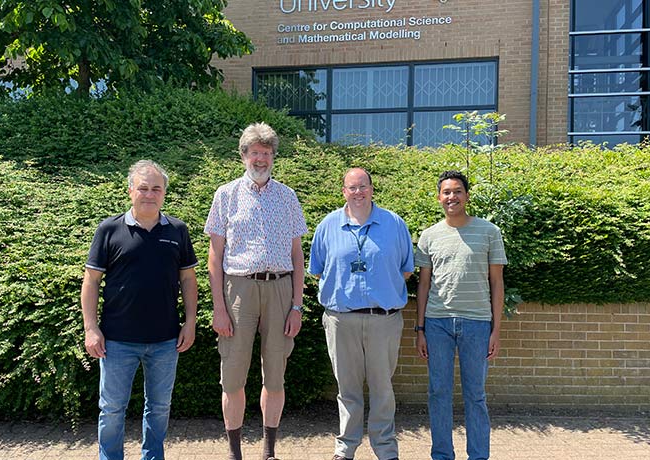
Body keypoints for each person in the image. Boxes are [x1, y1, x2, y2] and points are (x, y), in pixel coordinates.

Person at [81, 160, 199, 460]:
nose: (149, 194)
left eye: (156, 189)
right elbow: (91, 281)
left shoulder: (177, 230)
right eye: (143, 188)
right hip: (117, 340)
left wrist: (190, 322)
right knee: (111, 409)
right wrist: (91, 328)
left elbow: (188, 278)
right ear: (130, 190)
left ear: (164, 193)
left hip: (165, 340)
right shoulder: (109, 229)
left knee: (159, 408)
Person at [204, 122, 307, 460]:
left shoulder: (288, 197)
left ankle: (268, 451)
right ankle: (235, 452)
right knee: (233, 377)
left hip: (280, 290)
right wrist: (219, 307)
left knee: (275, 377)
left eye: (267, 152)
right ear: (244, 155)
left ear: (273, 156)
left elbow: (296, 256)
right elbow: (215, 256)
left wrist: (297, 306)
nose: (261, 158)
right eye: (255, 152)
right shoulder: (226, 195)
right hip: (238, 291)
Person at [308, 167, 414, 460]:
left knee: (383, 388)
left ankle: (385, 449)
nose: (358, 192)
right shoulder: (328, 226)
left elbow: (406, 269)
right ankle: (345, 449)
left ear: (371, 188)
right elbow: (317, 271)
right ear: (343, 191)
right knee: (348, 389)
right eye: (352, 188)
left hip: (384, 319)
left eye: (363, 186)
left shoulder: (394, 224)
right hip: (341, 320)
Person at [415, 170, 508, 460]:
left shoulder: (489, 232)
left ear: (466, 196)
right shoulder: (429, 236)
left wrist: (496, 330)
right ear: (439, 197)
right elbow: (424, 284)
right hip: (437, 323)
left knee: (476, 396)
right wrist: (420, 329)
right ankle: (442, 455)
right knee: (438, 394)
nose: (451, 197)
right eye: (446, 192)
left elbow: (497, 283)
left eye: (457, 191)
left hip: (478, 324)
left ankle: (478, 455)